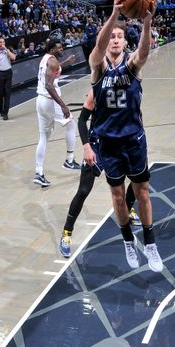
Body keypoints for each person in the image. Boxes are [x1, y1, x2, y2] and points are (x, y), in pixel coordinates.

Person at [89, 0, 163, 272]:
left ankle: (151, 243)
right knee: (118, 196)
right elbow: (97, 48)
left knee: (142, 191)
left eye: (120, 35)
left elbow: (143, 53)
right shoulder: (98, 68)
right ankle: (127, 241)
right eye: (112, 37)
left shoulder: (132, 67)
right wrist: (115, 15)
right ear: (108, 41)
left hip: (133, 139)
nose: (116, 40)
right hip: (108, 141)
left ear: (124, 41)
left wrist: (146, 22)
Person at [59, 89, 139, 258]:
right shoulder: (96, 90)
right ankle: (67, 233)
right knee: (83, 191)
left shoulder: (126, 85)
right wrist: (87, 147)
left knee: (137, 178)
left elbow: (136, 114)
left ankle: (127, 207)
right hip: (97, 144)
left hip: (120, 142)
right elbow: (81, 121)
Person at [34, 39, 80, 188]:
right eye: (59, 48)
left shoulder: (47, 59)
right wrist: (63, 105)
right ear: (52, 49)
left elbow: (56, 68)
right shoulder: (52, 61)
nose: (62, 50)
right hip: (50, 101)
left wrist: (66, 61)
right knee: (71, 125)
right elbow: (49, 85)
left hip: (40, 101)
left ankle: (39, 173)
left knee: (44, 137)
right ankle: (69, 160)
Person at [0, 37, 17, 120]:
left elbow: (13, 58)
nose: (2, 43)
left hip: (8, 73)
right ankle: (1, 110)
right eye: (0, 42)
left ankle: (5, 113)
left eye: (3, 42)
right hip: (0, 74)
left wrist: (6, 50)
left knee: (7, 94)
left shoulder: (8, 51)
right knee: (0, 94)